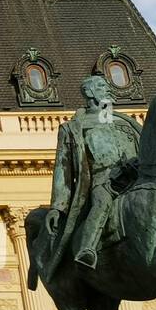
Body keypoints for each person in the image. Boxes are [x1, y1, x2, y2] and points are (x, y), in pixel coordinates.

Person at [45, 74, 142, 269]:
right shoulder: (74, 128)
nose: (107, 89)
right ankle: (87, 249)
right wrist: (57, 206)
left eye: (106, 86)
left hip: (138, 177)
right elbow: (63, 170)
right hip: (104, 179)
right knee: (101, 203)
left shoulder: (126, 122)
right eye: (100, 86)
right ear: (89, 92)